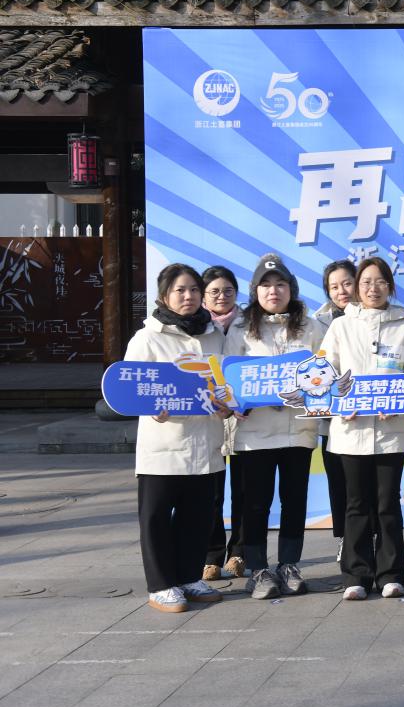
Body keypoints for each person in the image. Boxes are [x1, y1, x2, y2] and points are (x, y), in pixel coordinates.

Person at [129, 263, 231, 612]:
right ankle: (160, 585)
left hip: (206, 443)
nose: (189, 296)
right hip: (164, 445)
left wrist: (227, 405)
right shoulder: (148, 338)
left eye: (194, 289)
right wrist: (151, 407)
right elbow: (131, 388)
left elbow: (224, 384)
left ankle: (189, 577)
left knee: (198, 515)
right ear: (163, 296)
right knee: (156, 517)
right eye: (180, 290)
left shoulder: (215, 335)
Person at [322, 257, 404, 601]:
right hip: (350, 430)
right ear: (356, 287)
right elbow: (324, 374)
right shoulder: (341, 326)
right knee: (355, 503)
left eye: (380, 282)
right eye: (365, 282)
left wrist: (398, 402)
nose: (373, 288)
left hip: (391, 430)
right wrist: (340, 403)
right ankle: (356, 575)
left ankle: (391, 574)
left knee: (387, 503)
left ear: (390, 286)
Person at [224, 255, 323, 600]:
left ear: (291, 289)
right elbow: (227, 376)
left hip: (298, 431)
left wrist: (310, 392)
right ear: (255, 291)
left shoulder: (311, 327)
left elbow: (325, 370)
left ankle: (289, 565)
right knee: (255, 504)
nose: (273, 291)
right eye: (265, 285)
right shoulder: (240, 328)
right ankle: (258, 569)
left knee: (294, 501)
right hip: (255, 434)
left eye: (280, 284)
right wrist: (237, 403)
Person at [201, 266, 245, 581]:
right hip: (212, 420)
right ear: (204, 296)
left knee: (244, 492)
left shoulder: (250, 323)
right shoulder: (198, 328)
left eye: (228, 290)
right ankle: (211, 556)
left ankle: (239, 553)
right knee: (212, 493)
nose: (221, 296)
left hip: (245, 420)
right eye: (214, 291)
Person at [313, 259, 357, 562]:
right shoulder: (316, 324)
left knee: (368, 486)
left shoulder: (378, 318)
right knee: (339, 483)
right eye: (334, 286)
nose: (342, 291)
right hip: (332, 421)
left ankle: (373, 537)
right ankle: (345, 538)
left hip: (372, 417)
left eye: (347, 283)